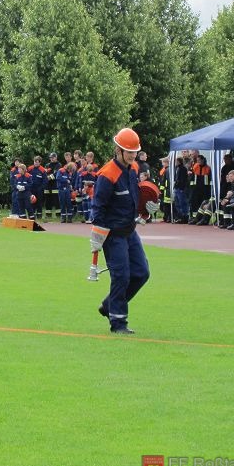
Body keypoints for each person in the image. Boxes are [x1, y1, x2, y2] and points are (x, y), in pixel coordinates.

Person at [90, 128, 153, 335]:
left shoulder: (133, 168)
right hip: (112, 234)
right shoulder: (107, 175)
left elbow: (136, 197)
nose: (133, 155)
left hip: (130, 230)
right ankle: (118, 322)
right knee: (122, 276)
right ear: (118, 150)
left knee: (142, 273)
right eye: (129, 151)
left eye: (135, 152)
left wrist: (145, 211)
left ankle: (109, 306)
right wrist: (98, 236)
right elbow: (98, 208)